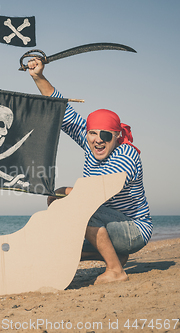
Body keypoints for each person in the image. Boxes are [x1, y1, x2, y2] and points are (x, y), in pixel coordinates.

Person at [28, 58, 152, 284]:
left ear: (116, 137)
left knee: (74, 204)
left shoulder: (127, 155)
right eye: (92, 133)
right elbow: (62, 110)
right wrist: (38, 76)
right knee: (64, 237)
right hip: (109, 224)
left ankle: (116, 271)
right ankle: (116, 257)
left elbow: (97, 192)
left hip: (133, 230)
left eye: (105, 135)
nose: (98, 140)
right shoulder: (90, 143)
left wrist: (63, 191)